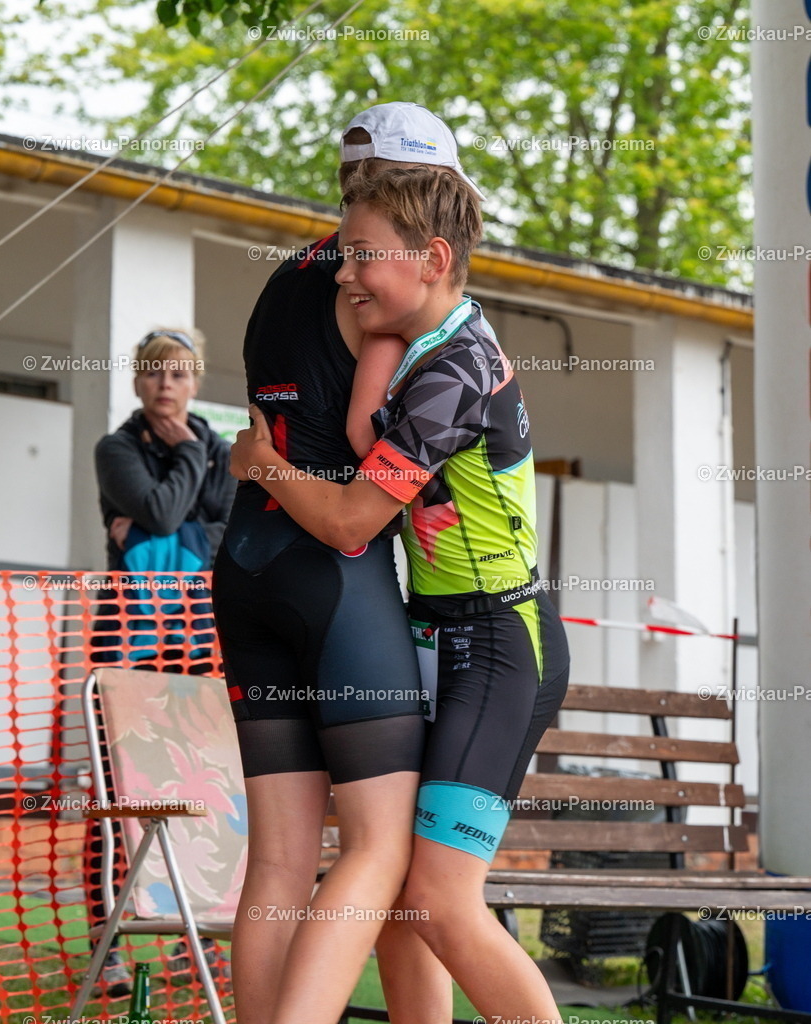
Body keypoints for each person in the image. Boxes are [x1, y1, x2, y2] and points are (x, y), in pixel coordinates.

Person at [229, 165, 570, 1024]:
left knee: (440, 900)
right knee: (399, 914)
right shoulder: (427, 339)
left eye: (361, 258)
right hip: (441, 633)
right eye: (342, 256)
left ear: (434, 257)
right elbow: (355, 429)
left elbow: (349, 523)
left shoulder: (457, 370)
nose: (340, 275)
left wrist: (266, 466)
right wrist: (383, 308)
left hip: (500, 642)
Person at [211, 103, 487, 1024]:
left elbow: (266, 419)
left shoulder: (292, 272)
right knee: (384, 848)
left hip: (248, 563)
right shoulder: (383, 294)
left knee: (281, 862)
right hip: (332, 563)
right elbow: (373, 460)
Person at [88, 328, 235, 995]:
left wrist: (158, 526)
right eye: (152, 374)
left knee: (194, 787)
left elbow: (228, 534)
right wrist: (184, 471)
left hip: (196, 641)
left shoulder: (223, 451)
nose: (164, 385)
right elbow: (162, 506)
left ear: (196, 381)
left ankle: (192, 933)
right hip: (127, 638)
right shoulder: (115, 448)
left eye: (177, 374)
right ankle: (107, 939)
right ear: (138, 382)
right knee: (116, 793)